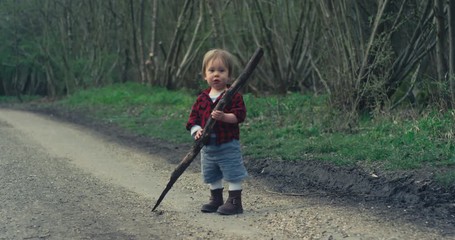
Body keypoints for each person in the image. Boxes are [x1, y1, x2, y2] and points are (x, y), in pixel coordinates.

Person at [186, 49, 248, 215]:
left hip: (227, 144)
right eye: (211, 71)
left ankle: (235, 202)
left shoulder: (232, 96)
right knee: (211, 173)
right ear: (204, 75)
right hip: (208, 147)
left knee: (232, 171)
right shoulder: (202, 98)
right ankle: (216, 199)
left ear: (229, 75)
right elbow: (193, 119)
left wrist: (224, 117)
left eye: (221, 71)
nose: (216, 75)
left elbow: (239, 115)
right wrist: (197, 131)